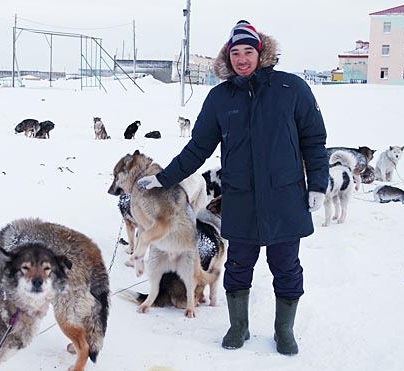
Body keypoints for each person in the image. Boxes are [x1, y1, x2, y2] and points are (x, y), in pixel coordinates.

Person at [137, 20, 328, 355]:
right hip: (241, 200)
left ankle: (284, 329)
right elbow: (198, 148)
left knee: (287, 266)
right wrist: (163, 178)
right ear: (228, 57)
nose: (242, 58)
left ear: (261, 52)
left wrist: (318, 184)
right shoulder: (219, 98)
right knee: (239, 266)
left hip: (285, 197)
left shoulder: (292, 89)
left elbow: (314, 140)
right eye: (235, 52)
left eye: (248, 51)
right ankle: (238, 325)